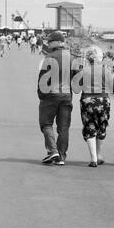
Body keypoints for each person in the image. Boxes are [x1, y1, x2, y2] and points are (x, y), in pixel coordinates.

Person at [37, 31, 75, 166]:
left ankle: (53, 151)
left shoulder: (49, 58)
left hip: (51, 95)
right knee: (63, 127)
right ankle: (61, 156)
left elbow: (42, 79)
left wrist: (41, 95)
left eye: (50, 41)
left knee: (46, 123)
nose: (48, 43)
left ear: (58, 42)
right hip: (66, 96)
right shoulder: (72, 58)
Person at [73, 46, 113, 167]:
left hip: (87, 101)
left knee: (89, 127)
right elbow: (112, 87)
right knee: (102, 127)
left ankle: (94, 158)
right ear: (100, 58)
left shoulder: (83, 71)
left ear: (87, 58)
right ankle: (100, 155)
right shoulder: (106, 71)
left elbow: (75, 90)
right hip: (103, 100)